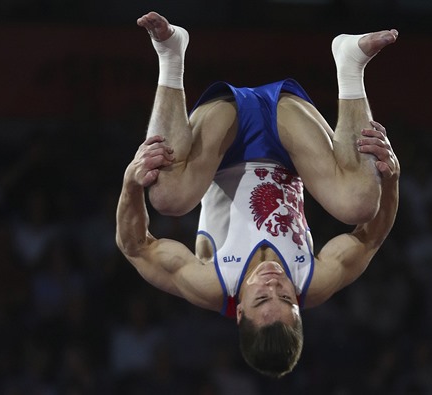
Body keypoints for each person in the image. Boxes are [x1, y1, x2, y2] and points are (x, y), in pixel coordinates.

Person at [116, 11, 400, 378]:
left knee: (166, 197)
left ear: (239, 314)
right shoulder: (313, 281)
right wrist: (391, 178)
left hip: (221, 141)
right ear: (298, 308)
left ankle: (170, 55)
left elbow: (135, 245)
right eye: (286, 299)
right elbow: (372, 237)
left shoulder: (210, 283)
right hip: (289, 137)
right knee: (361, 203)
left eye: (263, 298)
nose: (274, 284)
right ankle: (350, 65)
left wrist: (130, 181)